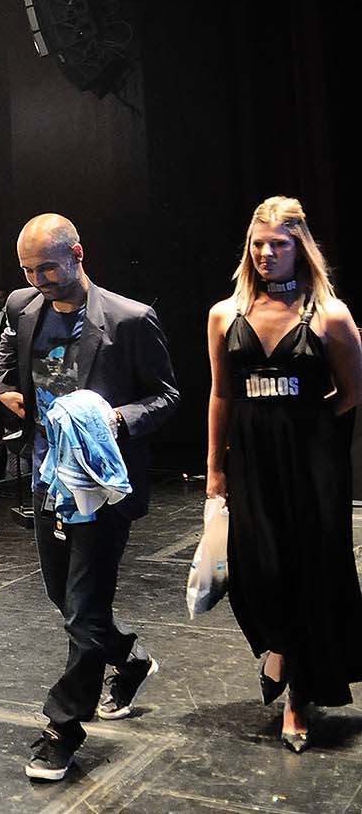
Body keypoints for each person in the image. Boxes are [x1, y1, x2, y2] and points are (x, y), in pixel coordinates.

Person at [0, 213, 180, 781]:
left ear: (78, 253)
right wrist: (5, 390)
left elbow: (168, 396)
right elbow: (5, 363)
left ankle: (62, 729)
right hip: (46, 479)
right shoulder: (21, 308)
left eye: (46, 266)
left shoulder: (129, 320)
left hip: (100, 488)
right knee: (64, 597)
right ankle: (128, 659)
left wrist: (113, 418)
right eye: (28, 269)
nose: (37, 278)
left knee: (81, 607)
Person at [204, 197, 362, 751]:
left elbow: (351, 394)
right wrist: (214, 471)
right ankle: (277, 648)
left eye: (280, 244)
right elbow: (221, 393)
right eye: (259, 244)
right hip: (250, 461)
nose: (268, 253)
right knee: (255, 570)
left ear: (301, 247)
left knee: (305, 572)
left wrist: (308, 430)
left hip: (312, 465)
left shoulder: (330, 315)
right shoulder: (227, 313)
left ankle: (297, 698)